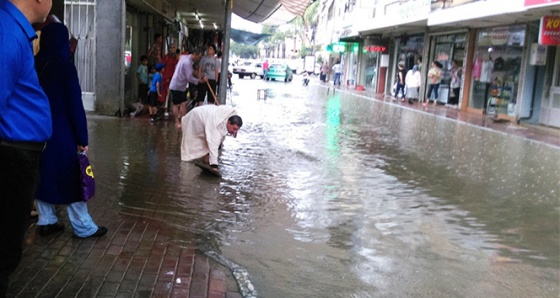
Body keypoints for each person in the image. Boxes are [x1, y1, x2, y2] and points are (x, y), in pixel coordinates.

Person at [34, 22, 108, 240]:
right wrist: (82, 137)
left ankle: (46, 220)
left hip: (37, 130)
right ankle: (83, 226)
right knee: (72, 176)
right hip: (61, 132)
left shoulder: (34, 63)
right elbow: (75, 104)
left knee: (43, 173)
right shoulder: (65, 66)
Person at [0, 0, 53, 296]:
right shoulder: (6, 32)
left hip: (17, 156)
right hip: (11, 157)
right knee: (4, 250)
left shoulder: (14, 30)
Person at [180, 105, 242, 175]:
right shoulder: (215, 125)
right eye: (234, 129)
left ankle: (206, 161)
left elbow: (219, 138)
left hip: (207, 116)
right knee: (190, 144)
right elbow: (213, 145)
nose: (235, 131)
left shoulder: (231, 115)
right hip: (196, 118)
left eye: (237, 129)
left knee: (209, 145)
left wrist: (234, 131)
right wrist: (214, 165)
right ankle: (187, 164)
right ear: (229, 123)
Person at [169, 48, 204, 128]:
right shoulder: (187, 62)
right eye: (198, 57)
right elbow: (189, 78)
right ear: (194, 54)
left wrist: (198, 74)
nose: (198, 59)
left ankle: (184, 121)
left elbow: (189, 71)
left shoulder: (184, 57)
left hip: (182, 86)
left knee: (183, 103)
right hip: (176, 85)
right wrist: (199, 81)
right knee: (176, 104)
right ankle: (177, 122)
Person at [161, 43, 179, 117]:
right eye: (171, 47)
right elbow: (162, 68)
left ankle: (173, 109)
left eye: (173, 47)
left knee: (175, 94)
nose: (172, 49)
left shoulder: (177, 58)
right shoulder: (166, 57)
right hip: (167, 78)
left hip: (175, 78)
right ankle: (165, 109)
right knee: (167, 94)